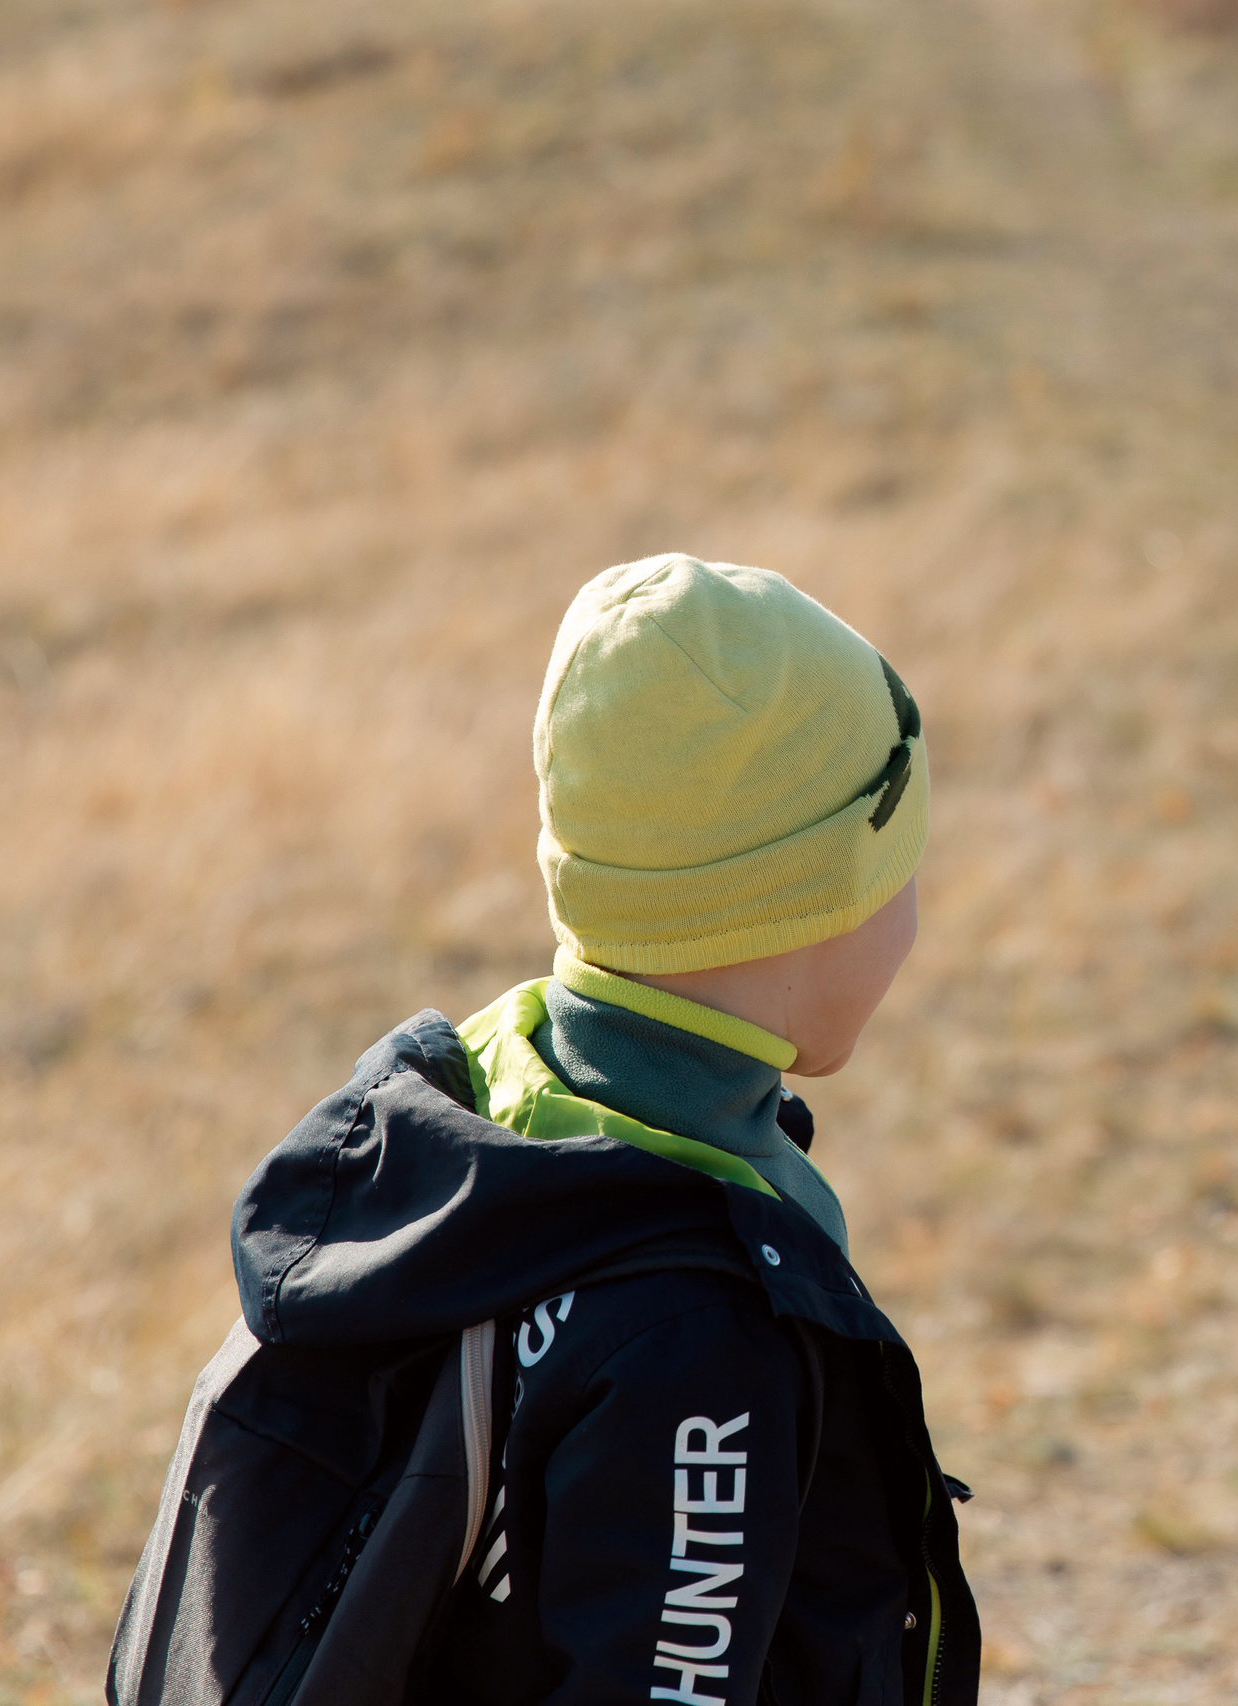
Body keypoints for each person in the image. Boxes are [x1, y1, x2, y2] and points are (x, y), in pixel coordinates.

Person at [124, 555, 976, 1704]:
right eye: (902, 870)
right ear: (803, 906)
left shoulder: (469, 1105)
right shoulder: (693, 1336)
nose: (917, 915)